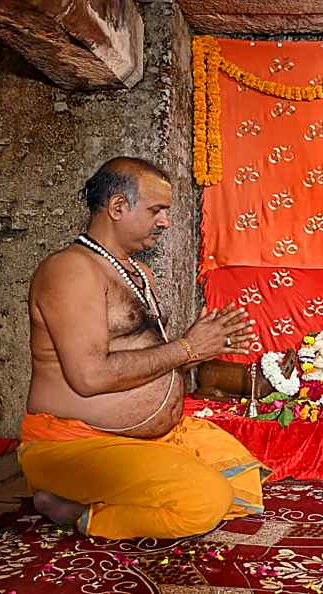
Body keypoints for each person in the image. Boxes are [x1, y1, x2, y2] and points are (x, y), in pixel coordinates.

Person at [19, 156, 266, 540]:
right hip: (77, 442)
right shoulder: (71, 270)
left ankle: (122, 490)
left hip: (146, 437)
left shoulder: (137, 272)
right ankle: (79, 512)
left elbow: (147, 362)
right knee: (204, 501)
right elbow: (89, 377)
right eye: (157, 210)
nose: (165, 221)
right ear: (118, 207)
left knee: (244, 480)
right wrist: (187, 348)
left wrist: (199, 347)